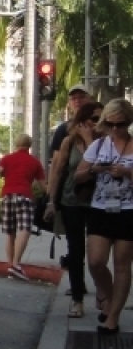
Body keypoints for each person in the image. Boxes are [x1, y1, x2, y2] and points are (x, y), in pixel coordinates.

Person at [75, 97, 133, 333]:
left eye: (121, 124)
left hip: (128, 211)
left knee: (122, 264)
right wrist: (93, 169)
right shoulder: (98, 146)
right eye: (110, 124)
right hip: (101, 209)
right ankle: (108, 299)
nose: (116, 129)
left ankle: (114, 317)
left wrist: (128, 172)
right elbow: (77, 177)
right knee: (96, 262)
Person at [46, 100, 101, 316]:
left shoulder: (107, 142)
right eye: (94, 119)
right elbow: (58, 172)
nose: (98, 123)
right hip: (73, 202)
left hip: (100, 203)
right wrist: (51, 201)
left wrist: (90, 141)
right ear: (82, 121)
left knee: (98, 255)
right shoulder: (69, 142)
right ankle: (77, 299)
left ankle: (103, 293)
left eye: (101, 119)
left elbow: (97, 167)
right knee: (76, 251)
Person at [0, 133, 45, 280]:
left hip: (7, 196)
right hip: (25, 196)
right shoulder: (34, 162)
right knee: (25, 229)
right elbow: (43, 186)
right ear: (29, 145)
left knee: (10, 233)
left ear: (16, 144)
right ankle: (16, 264)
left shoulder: (7, 159)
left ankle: (11, 266)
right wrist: (51, 198)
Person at [49, 86, 92, 164]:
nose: (77, 101)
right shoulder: (62, 129)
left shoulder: (98, 125)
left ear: (89, 99)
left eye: (81, 97)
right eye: (73, 98)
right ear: (69, 103)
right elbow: (56, 160)